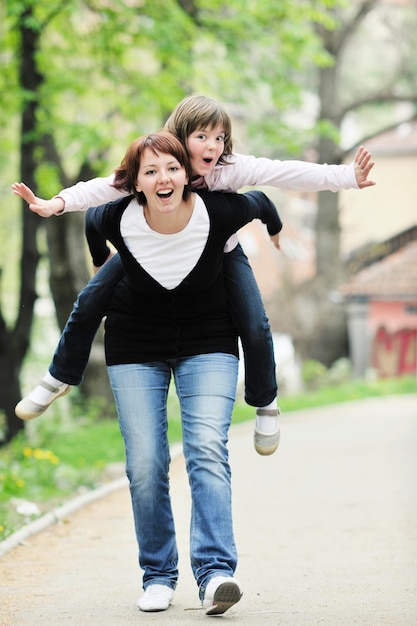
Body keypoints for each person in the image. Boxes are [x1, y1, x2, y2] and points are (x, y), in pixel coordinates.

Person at [13, 94, 375, 457]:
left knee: (253, 320)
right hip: (152, 250)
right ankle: (58, 377)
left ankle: (266, 402)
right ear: (181, 136)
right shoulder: (158, 165)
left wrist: (346, 176)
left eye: (220, 138)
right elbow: (102, 192)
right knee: (90, 299)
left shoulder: (229, 169)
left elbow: (282, 172)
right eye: (203, 136)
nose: (213, 147)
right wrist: (56, 203)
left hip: (221, 252)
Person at [74, 131, 282, 613]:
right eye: (151, 171)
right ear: (134, 183)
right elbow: (87, 212)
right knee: (145, 463)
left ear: (187, 174)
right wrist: (94, 254)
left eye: (171, 168)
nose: (163, 178)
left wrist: (340, 182)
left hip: (208, 338)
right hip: (135, 343)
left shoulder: (218, 208)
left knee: (206, 447)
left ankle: (215, 574)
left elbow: (267, 193)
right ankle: (158, 574)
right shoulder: (117, 214)